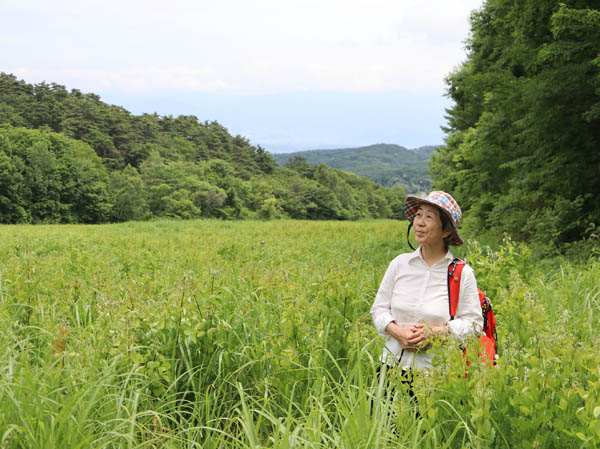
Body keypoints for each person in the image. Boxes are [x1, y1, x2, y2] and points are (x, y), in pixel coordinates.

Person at [370, 191, 483, 375]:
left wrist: (436, 332)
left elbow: (474, 324)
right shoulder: (400, 264)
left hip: (436, 375)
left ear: (446, 231)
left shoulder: (461, 273)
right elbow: (378, 309)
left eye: (429, 217)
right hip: (390, 368)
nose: (420, 222)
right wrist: (397, 332)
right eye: (418, 214)